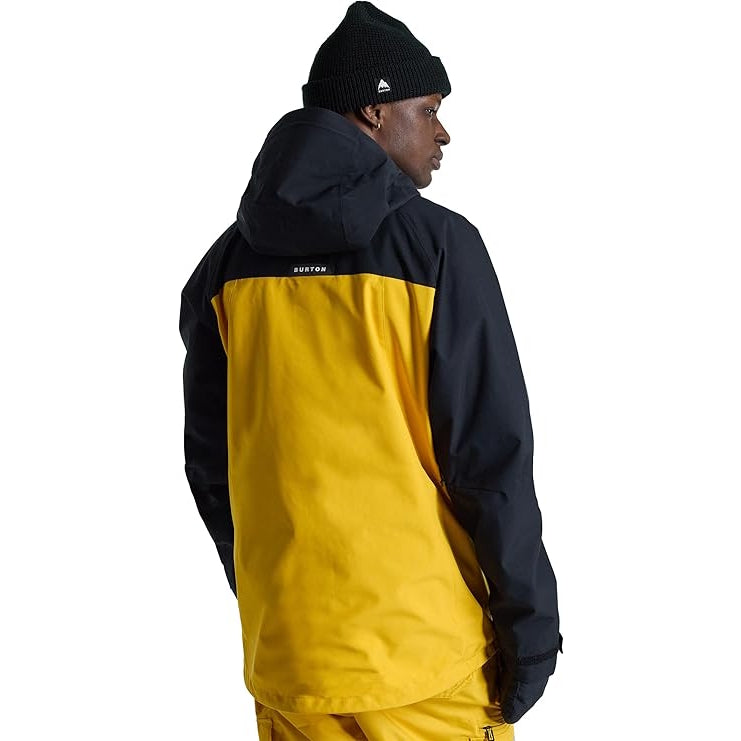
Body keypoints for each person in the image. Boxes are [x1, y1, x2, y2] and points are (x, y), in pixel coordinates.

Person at [179, 2, 562, 738]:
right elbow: (490, 461)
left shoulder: (223, 269)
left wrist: (271, 594)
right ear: (374, 110)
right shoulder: (439, 248)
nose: (443, 132)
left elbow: (214, 466)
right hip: (424, 658)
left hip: (291, 657)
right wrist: (532, 632)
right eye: (429, 109)